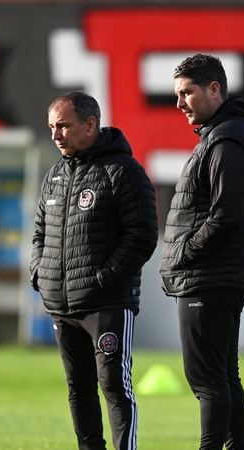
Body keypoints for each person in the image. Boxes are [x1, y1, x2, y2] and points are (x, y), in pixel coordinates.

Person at [31, 91, 158, 450]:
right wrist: (40, 274)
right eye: (52, 127)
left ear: (90, 125)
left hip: (106, 304)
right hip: (62, 305)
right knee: (78, 388)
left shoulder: (124, 171)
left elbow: (143, 234)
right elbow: (40, 232)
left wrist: (105, 279)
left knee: (115, 385)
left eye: (63, 126)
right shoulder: (55, 175)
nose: (55, 135)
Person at [159, 54, 244, 450]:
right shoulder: (225, 135)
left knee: (207, 380)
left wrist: (184, 254)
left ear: (214, 89)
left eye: (187, 92)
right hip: (218, 275)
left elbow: (225, 217)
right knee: (223, 376)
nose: (180, 103)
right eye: (177, 94)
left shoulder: (227, 140)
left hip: (208, 277)